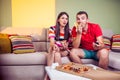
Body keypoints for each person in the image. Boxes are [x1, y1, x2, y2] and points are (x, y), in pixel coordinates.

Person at [44, 12, 72, 80]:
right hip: (55, 49)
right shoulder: (52, 28)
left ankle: (47, 76)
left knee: (55, 51)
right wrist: (55, 46)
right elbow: (52, 42)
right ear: (58, 20)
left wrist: (65, 46)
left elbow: (69, 45)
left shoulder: (69, 31)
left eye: (66, 19)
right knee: (54, 51)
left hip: (65, 50)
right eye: (62, 18)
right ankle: (58, 77)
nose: (65, 20)